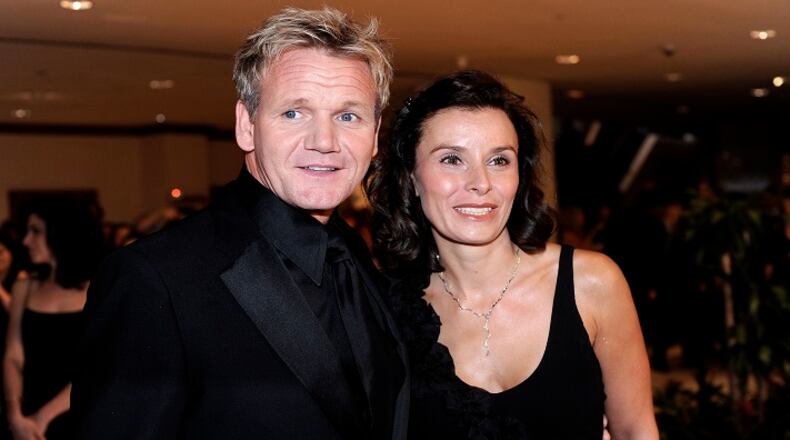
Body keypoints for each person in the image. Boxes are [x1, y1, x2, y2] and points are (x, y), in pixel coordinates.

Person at [70, 7, 409, 440]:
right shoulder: (154, 280)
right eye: (294, 113)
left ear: (375, 135)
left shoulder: (356, 256)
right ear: (246, 126)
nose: (325, 142)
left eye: (348, 116)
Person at [367, 70, 658, 439]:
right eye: (452, 159)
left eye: (499, 160)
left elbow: (636, 430)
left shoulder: (591, 283)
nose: (481, 182)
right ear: (411, 176)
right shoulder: (387, 309)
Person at [4, 200, 104, 440]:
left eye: (36, 231)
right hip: (26, 416)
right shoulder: (24, 287)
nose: (26, 240)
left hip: (79, 414)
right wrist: (15, 414)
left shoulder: (98, 290)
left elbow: (97, 366)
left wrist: (43, 418)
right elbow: (13, 354)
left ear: (62, 233)